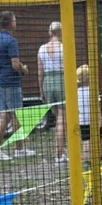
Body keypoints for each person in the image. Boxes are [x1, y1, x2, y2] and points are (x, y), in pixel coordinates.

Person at [0, 11, 35, 161]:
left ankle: (2, 148)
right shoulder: (11, 41)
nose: (16, 22)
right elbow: (15, 64)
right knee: (15, 115)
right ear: (11, 23)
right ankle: (12, 149)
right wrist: (23, 69)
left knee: (6, 114)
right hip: (11, 83)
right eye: (15, 20)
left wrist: (0, 70)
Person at [38, 21, 67, 164]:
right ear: (61, 32)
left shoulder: (41, 49)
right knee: (62, 119)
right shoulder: (64, 48)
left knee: (58, 118)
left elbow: (40, 72)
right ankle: (59, 154)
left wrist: (41, 90)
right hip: (61, 80)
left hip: (48, 82)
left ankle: (62, 148)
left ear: (50, 32)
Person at [77, 65, 102, 164]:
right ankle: (100, 154)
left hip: (82, 119)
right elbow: (97, 106)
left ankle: (87, 158)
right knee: (101, 136)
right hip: (95, 118)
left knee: (86, 139)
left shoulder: (76, 92)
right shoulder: (92, 91)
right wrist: (100, 119)